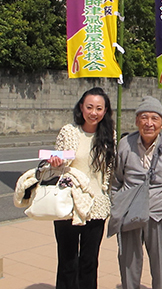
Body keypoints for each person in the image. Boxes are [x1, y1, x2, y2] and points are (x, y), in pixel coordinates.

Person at [111, 96, 162, 289]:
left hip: (161, 213)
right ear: (137, 121)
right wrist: (116, 210)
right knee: (128, 263)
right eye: (144, 117)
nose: (149, 123)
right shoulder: (125, 145)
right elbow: (116, 180)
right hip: (129, 213)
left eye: (155, 118)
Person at [48, 87, 116, 289]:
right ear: (81, 107)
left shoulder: (109, 135)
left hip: (96, 206)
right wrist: (55, 163)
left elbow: (109, 171)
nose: (93, 112)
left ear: (105, 111)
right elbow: (58, 167)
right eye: (89, 107)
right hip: (68, 204)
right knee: (67, 260)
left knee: (89, 261)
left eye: (99, 108)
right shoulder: (69, 131)